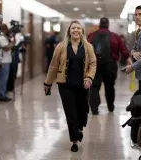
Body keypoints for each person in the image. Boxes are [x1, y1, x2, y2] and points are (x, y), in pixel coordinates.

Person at [44, 20, 96, 152]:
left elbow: (93, 64)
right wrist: (48, 83)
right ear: (69, 31)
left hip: (83, 85)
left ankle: (79, 128)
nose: (76, 30)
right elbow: (53, 66)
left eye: (78, 28)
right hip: (65, 85)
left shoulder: (88, 46)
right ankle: (74, 141)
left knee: (82, 111)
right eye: (73, 28)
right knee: (70, 113)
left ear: (82, 31)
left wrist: (89, 77)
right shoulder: (61, 47)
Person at [87, 17, 132, 115]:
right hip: (110, 65)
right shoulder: (115, 36)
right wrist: (129, 60)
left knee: (94, 87)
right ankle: (110, 107)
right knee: (109, 87)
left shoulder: (91, 36)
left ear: (99, 24)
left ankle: (94, 108)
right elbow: (123, 49)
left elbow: (85, 49)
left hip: (95, 65)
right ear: (107, 25)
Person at [123, 5, 141, 90]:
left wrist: (132, 67)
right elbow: (134, 48)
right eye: (136, 14)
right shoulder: (140, 31)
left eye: (140, 14)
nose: (137, 17)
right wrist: (133, 52)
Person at [0, 24, 15, 102]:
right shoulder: (1, 38)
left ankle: (2, 94)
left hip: (6, 61)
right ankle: (1, 95)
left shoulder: (4, 37)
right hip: (3, 61)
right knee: (2, 79)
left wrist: (10, 39)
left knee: (4, 79)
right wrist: (13, 43)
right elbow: (6, 48)